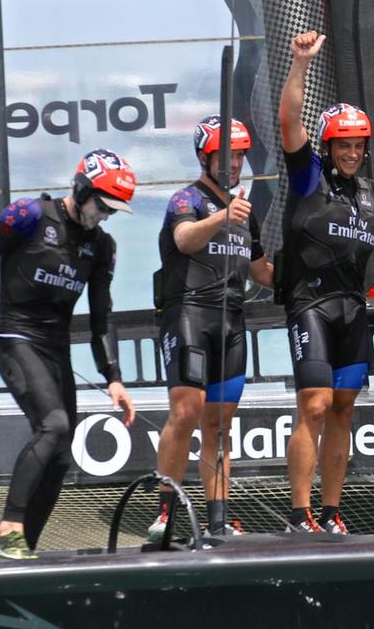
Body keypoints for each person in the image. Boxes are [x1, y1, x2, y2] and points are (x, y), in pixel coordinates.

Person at [0, 149, 137, 559]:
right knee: (54, 425)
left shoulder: (102, 247)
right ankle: (8, 528)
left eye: (113, 211)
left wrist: (113, 376)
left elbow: (102, 314)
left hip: (56, 349)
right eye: (102, 205)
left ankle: (22, 547)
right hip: (18, 339)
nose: (104, 215)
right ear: (82, 189)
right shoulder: (29, 214)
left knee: (62, 457)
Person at [278, 30, 374, 534]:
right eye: (343, 144)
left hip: (352, 307)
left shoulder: (369, 193)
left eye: (358, 145)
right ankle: (301, 514)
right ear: (329, 145)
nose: (351, 152)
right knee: (316, 404)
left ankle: (331, 510)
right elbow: (288, 123)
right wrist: (301, 63)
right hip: (311, 304)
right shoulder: (309, 178)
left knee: (344, 408)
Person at [149, 115, 274, 541]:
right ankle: (165, 514)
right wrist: (223, 217)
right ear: (205, 156)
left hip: (231, 321)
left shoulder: (244, 212)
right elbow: (184, 240)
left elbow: (263, 272)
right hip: (189, 313)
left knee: (219, 425)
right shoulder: (187, 200)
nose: (234, 163)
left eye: (239, 155)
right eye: (225, 155)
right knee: (185, 413)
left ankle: (219, 517)